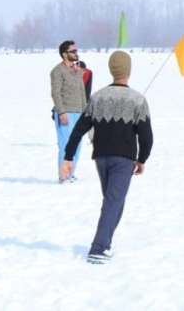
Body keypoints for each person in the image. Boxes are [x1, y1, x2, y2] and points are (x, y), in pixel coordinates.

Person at [60, 50, 154, 264]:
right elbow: (147, 136)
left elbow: (78, 130)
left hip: (101, 159)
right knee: (113, 202)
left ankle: (105, 243)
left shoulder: (97, 97)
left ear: (112, 70)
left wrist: (68, 157)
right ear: (128, 71)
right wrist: (142, 159)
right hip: (123, 160)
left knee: (113, 202)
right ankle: (98, 248)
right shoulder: (138, 100)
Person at [50, 40, 87, 183]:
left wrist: (86, 112)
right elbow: (55, 93)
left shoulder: (77, 71)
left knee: (76, 146)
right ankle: (63, 176)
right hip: (66, 113)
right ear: (64, 54)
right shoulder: (57, 71)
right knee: (66, 146)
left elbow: (82, 92)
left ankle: (71, 174)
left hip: (79, 113)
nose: (76, 53)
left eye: (76, 51)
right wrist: (61, 112)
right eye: (73, 51)